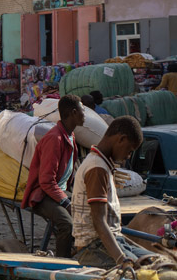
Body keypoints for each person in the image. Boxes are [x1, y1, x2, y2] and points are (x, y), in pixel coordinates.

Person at [72, 117, 151, 267]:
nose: (128, 157)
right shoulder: (97, 168)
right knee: (143, 273)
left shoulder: (103, 165)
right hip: (93, 247)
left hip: (114, 240)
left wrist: (144, 252)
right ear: (121, 139)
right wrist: (121, 259)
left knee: (159, 262)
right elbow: (99, 222)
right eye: (129, 151)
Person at [20, 95, 84, 259]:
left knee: (89, 213)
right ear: (74, 112)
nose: (85, 115)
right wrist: (66, 203)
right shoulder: (55, 139)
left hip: (58, 191)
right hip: (43, 195)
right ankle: (62, 264)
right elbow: (46, 181)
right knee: (67, 224)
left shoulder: (70, 136)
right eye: (82, 111)